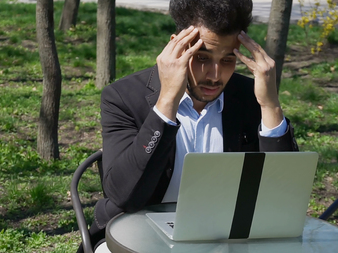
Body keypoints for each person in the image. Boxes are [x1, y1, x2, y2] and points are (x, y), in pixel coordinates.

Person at [78, 0, 298, 252]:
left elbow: (284, 197)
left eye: (227, 60)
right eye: (202, 57)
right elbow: (125, 195)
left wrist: (270, 106)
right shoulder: (124, 97)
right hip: (135, 231)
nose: (215, 75)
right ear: (177, 46)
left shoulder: (251, 96)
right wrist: (166, 103)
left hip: (223, 237)